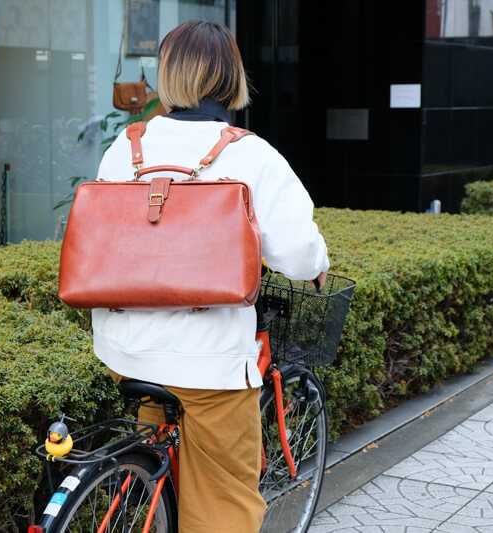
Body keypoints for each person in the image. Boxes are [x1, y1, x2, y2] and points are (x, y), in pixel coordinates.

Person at [91, 20, 329, 533]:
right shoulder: (250, 153)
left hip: (123, 351)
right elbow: (297, 252)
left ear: (167, 75)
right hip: (209, 363)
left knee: (158, 454)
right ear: (232, 76)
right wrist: (316, 269)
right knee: (226, 501)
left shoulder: (125, 147)